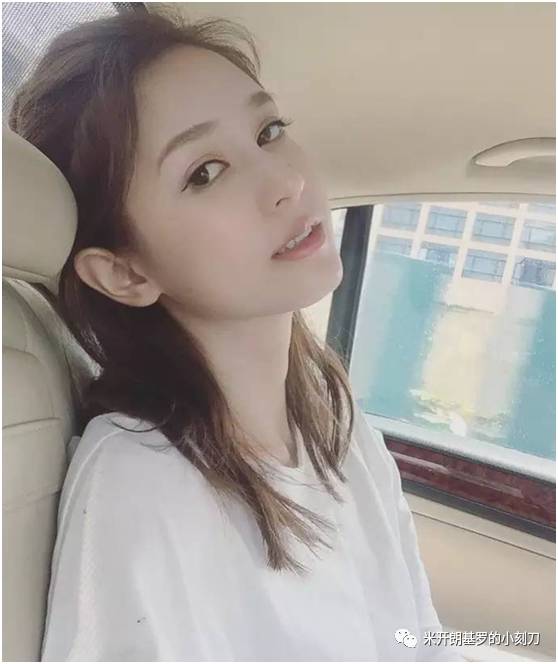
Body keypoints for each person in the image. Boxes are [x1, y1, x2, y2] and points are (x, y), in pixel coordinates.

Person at [9, 9, 467, 662]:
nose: (287, 181)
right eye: (206, 171)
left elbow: (421, 643)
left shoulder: (336, 423)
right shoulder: (141, 482)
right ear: (125, 272)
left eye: (269, 131)